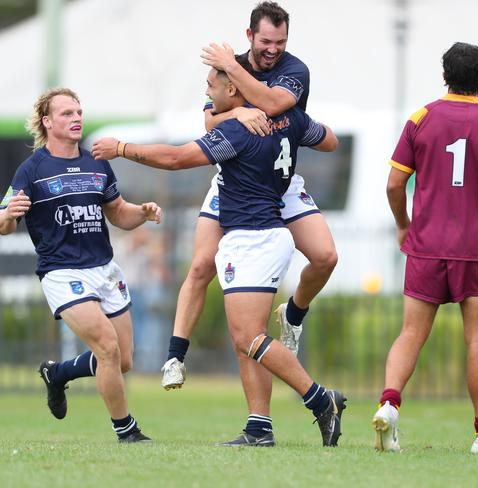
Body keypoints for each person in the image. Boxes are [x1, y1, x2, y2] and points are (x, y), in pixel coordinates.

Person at [92, 61, 346, 447]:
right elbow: (327, 137)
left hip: (252, 238)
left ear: (233, 91)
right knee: (247, 336)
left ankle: (319, 399)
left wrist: (122, 148)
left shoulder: (236, 132)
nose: (207, 95)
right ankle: (260, 428)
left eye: (211, 86)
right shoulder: (291, 119)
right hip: (265, 235)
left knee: (249, 338)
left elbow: (176, 159)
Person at [161, 1, 338, 446]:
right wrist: (237, 111)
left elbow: (277, 102)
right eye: (265, 41)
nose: (273, 50)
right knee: (203, 267)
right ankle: (178, 357)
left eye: (280, 42)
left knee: (325, 256)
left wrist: (237, 80)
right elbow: (208, 120)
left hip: (280, 183)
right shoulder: (228, 70)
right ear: (249, 35)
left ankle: (294, 315)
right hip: (234, 179)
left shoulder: (293, 70)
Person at [0, 88, 161, 443]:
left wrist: (142, 214)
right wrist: (9, 214)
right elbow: (2, 223)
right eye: (67, 113)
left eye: (79, 112)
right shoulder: (32, 169)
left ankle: (59, 374)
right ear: (47, 121)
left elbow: (118, 214)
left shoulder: (97, 162)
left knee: (124, 359)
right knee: (107, 348)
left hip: (104, 269)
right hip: (62, 272)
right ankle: (127, 430)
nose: (76, 118)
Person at [372, 42, 478, 454]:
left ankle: (389, 404)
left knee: (410, 334)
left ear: (444, 74)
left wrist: (404, 226)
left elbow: (392, 183)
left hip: (426, 246)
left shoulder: (421, 118)